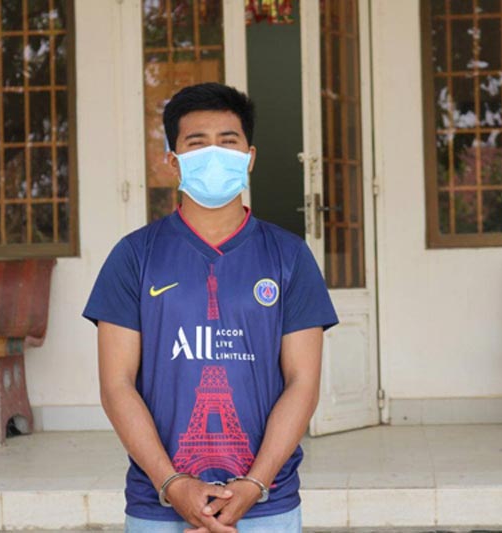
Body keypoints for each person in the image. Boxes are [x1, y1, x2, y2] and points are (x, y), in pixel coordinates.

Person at [82, 82, 338, 533]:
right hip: (157, 503)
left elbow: (303, 382)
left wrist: (255, 484)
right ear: (173, 161)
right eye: (197, 143)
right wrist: (172, 483)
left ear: (250, 157)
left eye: (228, 141)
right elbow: (116, 384)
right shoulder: (134, 256)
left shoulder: (290, 256)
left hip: (268, 503)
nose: (214, 155)